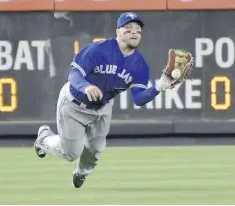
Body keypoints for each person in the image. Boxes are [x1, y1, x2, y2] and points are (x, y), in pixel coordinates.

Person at [34, 12, 177, 188]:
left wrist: (158, 87)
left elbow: (138, 99)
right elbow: (74, 74)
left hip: (102, 108)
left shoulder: (139, 65)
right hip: (74, 104)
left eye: (138, 30)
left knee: (95, 151)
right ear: (118, 31)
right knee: (71, 153)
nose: (134, 33)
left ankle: (81, 173)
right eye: (128, 28)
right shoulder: (98, 49)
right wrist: (86, 86)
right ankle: (44, 139)